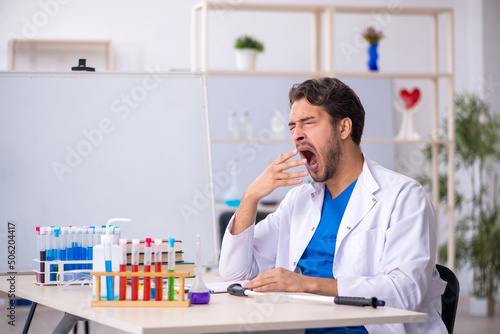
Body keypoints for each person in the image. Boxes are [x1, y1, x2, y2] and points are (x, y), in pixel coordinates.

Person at [219, 77, 447, 334]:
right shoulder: (298, 201)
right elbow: (234, 272)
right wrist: (251, 196)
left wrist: (306, 284)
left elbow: (404, 293)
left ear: (344, 128)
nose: (296, 134)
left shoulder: (403, 196)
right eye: (292, 126)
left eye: (308, 123)